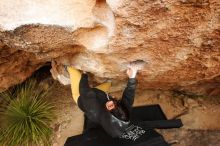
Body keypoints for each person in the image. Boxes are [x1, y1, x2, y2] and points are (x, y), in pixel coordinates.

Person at [66, 63, 140, 138]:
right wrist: (132, 77)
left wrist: (84, 74)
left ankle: (67, 67)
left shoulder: (94, 109)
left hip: (81, 96)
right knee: (108, 84)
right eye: (117, 105)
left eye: (111, 107)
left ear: (107, 116)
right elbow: (129, 96)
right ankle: (106, 86)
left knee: (73, 71)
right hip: (101, 96)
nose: (113, 104)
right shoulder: (124, 113)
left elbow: (85, 91)